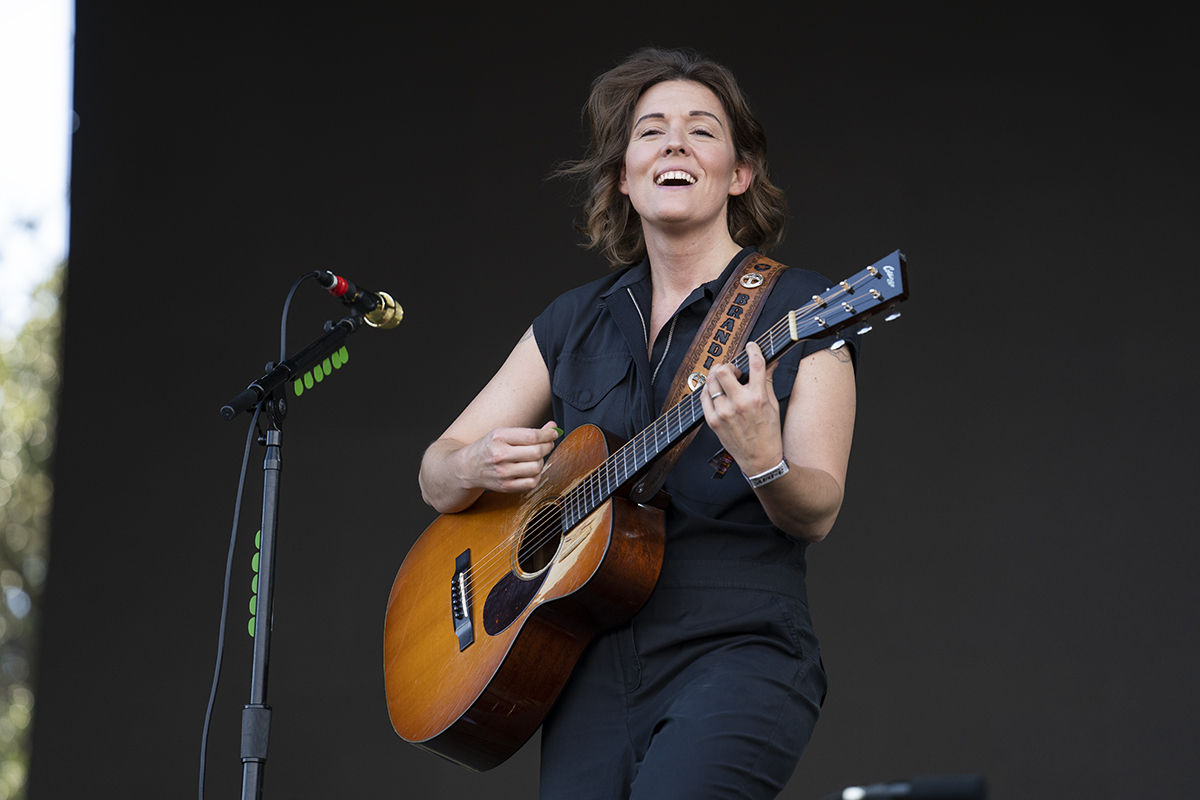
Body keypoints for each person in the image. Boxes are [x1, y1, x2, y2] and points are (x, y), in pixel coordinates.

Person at [419, 47, 857, 800]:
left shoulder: (802, 311)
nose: (675, 144)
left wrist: (763, 460)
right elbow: (436, 470)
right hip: (585, 662)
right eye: (651, 131)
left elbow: (816, 509)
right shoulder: (574, 321)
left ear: (739, 173)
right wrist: (472, 467)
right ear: (624, 175)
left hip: (737, 649)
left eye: (702, 130)